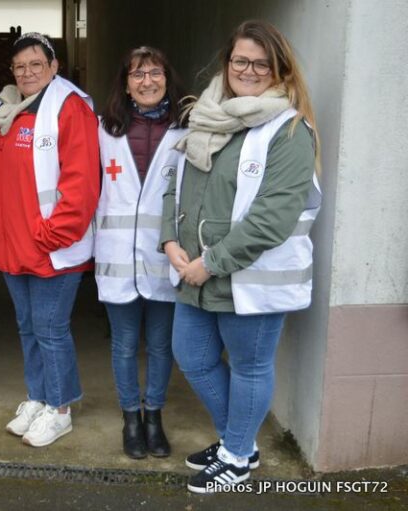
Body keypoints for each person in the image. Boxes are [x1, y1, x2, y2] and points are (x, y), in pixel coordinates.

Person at [161, 20, 321, 492]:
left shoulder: (289, 130)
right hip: (194, 271)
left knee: (250, 367)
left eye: (261, 64)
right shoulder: (206, 116)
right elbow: (175, 183)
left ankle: (235, 455)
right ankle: (241, 442)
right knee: (192, 357)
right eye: (240, 61)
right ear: (226, 63)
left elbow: (273, 218)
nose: (248, 71)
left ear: (279, 70)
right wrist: (170, 241)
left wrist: (209, 263)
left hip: (247, 276)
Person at [0, 32, 100, 447]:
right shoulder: (6, 109)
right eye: (20, 66)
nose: (27, 72)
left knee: (50, 328)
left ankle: (60, 408)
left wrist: (52, 235)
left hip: (51, 246)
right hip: (13, 244)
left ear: (54, 67)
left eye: (36, 64)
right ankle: (38, 395)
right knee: (28, 327)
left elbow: (82, 182)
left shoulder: (70, 107)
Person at [94, 46, 190, 460]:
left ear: (168, 78)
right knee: (124, 344)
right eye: (137, 74)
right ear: (125, 83)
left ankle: (154, 416)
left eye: (154, 73)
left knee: (161, 345)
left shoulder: (187, 130)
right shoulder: (104, 128)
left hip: (166, 257)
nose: (147, 81)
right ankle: (130, 418)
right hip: (117, 258)